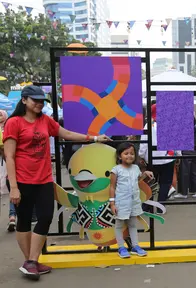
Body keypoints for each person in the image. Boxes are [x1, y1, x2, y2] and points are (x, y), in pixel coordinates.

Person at [3, 85, 110, 280]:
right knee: (24, 220)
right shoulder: (14, 122)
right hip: (21, 179)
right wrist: (14, 188)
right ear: (24, 100)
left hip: (44, 178)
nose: (39, 103)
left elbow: (66, 134)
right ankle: (30, 261)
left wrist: (93, 138)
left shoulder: (45, 120)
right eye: (35, 99)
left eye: (42, 100)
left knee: (45, 217)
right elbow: (9, 156)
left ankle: (31, 262)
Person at [109, 142, 154, 258]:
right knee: (119, 225)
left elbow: (138, 179)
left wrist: (145, 173)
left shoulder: (135, 168)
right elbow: (112, 187)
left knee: (132, 225)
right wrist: (112, 203)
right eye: (126, 153)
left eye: (132, 154)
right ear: (119, 156)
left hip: (134, 202)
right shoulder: (116, 170)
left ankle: (135, 246)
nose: (129, 156)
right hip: (121, 203)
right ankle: (121, 247)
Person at [139, 104, 179, 208]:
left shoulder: (148, 125)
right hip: (168, 159)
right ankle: (161, 206)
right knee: (165, 183)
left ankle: (148, 206)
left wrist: (141, 155)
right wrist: (178, 155)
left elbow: (144, 143)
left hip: (152, 159)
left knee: (150, 182)